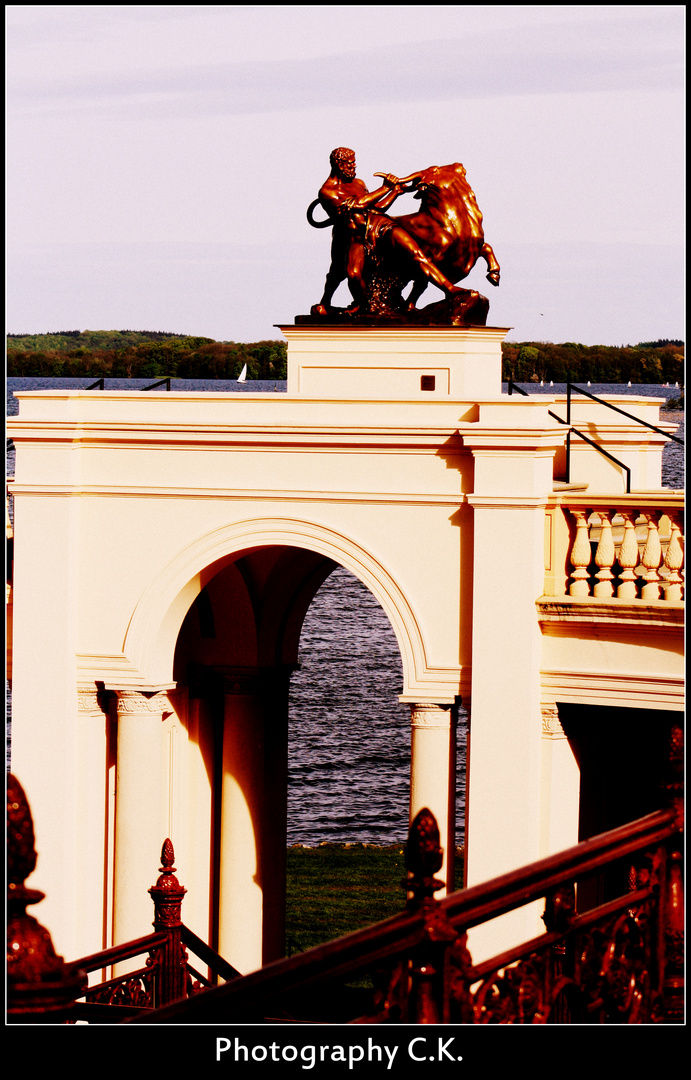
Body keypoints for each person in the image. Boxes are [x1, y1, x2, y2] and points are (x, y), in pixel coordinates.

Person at [312, 148, 463, 315]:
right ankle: (345, 304)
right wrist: (385, 188)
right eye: (350, 163)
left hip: (380, 225)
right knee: (349, 274)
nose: (354, 166)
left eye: (354, 162)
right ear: (339, 165)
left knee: (416, 253)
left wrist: (395, 192)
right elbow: (359, 204)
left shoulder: (358, 183)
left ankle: (450, 289)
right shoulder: (327, 192)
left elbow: (376, 207)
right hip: (354, 237)